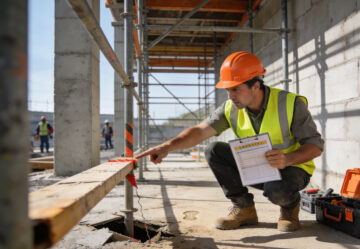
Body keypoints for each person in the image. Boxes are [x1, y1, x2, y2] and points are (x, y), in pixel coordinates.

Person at [136, 51, 324, 232]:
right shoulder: (231, 108)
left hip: (292, 170)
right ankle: (244, 208)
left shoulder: (290, 104)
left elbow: (315, 146)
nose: (230, 96)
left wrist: (288, 159)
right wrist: (167, 146)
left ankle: (289, 208)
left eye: (235, 89)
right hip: (257, 169)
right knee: (214, 149)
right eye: (228, 89)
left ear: (256, 85)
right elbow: (200, 131)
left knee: (277, 190)